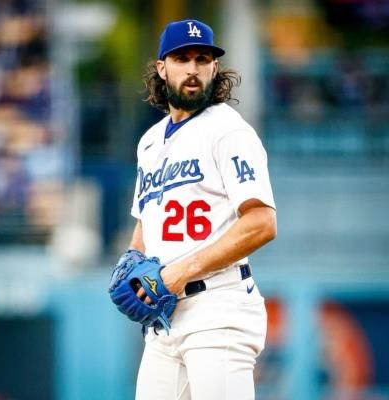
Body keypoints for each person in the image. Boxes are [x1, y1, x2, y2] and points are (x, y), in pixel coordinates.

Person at [127, 19, 276, 400]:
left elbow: (261, 223)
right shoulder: (149, 142)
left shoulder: (229, 131)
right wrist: (130, 260)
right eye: (181, 59)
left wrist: (179, 272)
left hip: (219, 309)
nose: (192, 69)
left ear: (213, 67)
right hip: (166, 318)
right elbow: (148, 219)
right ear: (162, 68)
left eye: (202, 58)